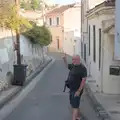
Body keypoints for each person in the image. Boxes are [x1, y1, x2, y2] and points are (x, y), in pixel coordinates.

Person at [62, 53, 87, 120]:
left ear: (78, 59)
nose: (73, 61)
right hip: (72, 89)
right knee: (74, 105)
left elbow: (83, 80)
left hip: (77, 90)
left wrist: (79, 91)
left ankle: (74, 118)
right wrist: (65, 59)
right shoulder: (73, 66)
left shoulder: (82, 68)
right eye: (72, 59)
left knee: (75, 107)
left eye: (74, 59)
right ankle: (78, 117)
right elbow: (67, 66)